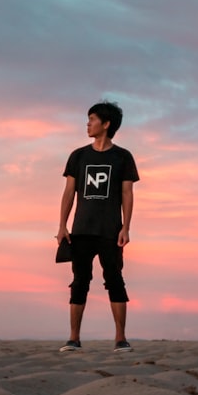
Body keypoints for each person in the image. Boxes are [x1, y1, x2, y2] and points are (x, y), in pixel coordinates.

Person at [56, 101, 139, 353]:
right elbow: (69, 192)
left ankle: (120, 339)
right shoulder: (78, 156)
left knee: (115, 280)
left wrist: (126, 227)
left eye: (92, 119)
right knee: (79, 281)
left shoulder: (122, 157)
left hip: (110, 230)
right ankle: (73, 338)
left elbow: (127, 193)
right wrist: (62, 225)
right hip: (81, 230)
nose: (87, 124)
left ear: (106, 124)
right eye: (88, 119)